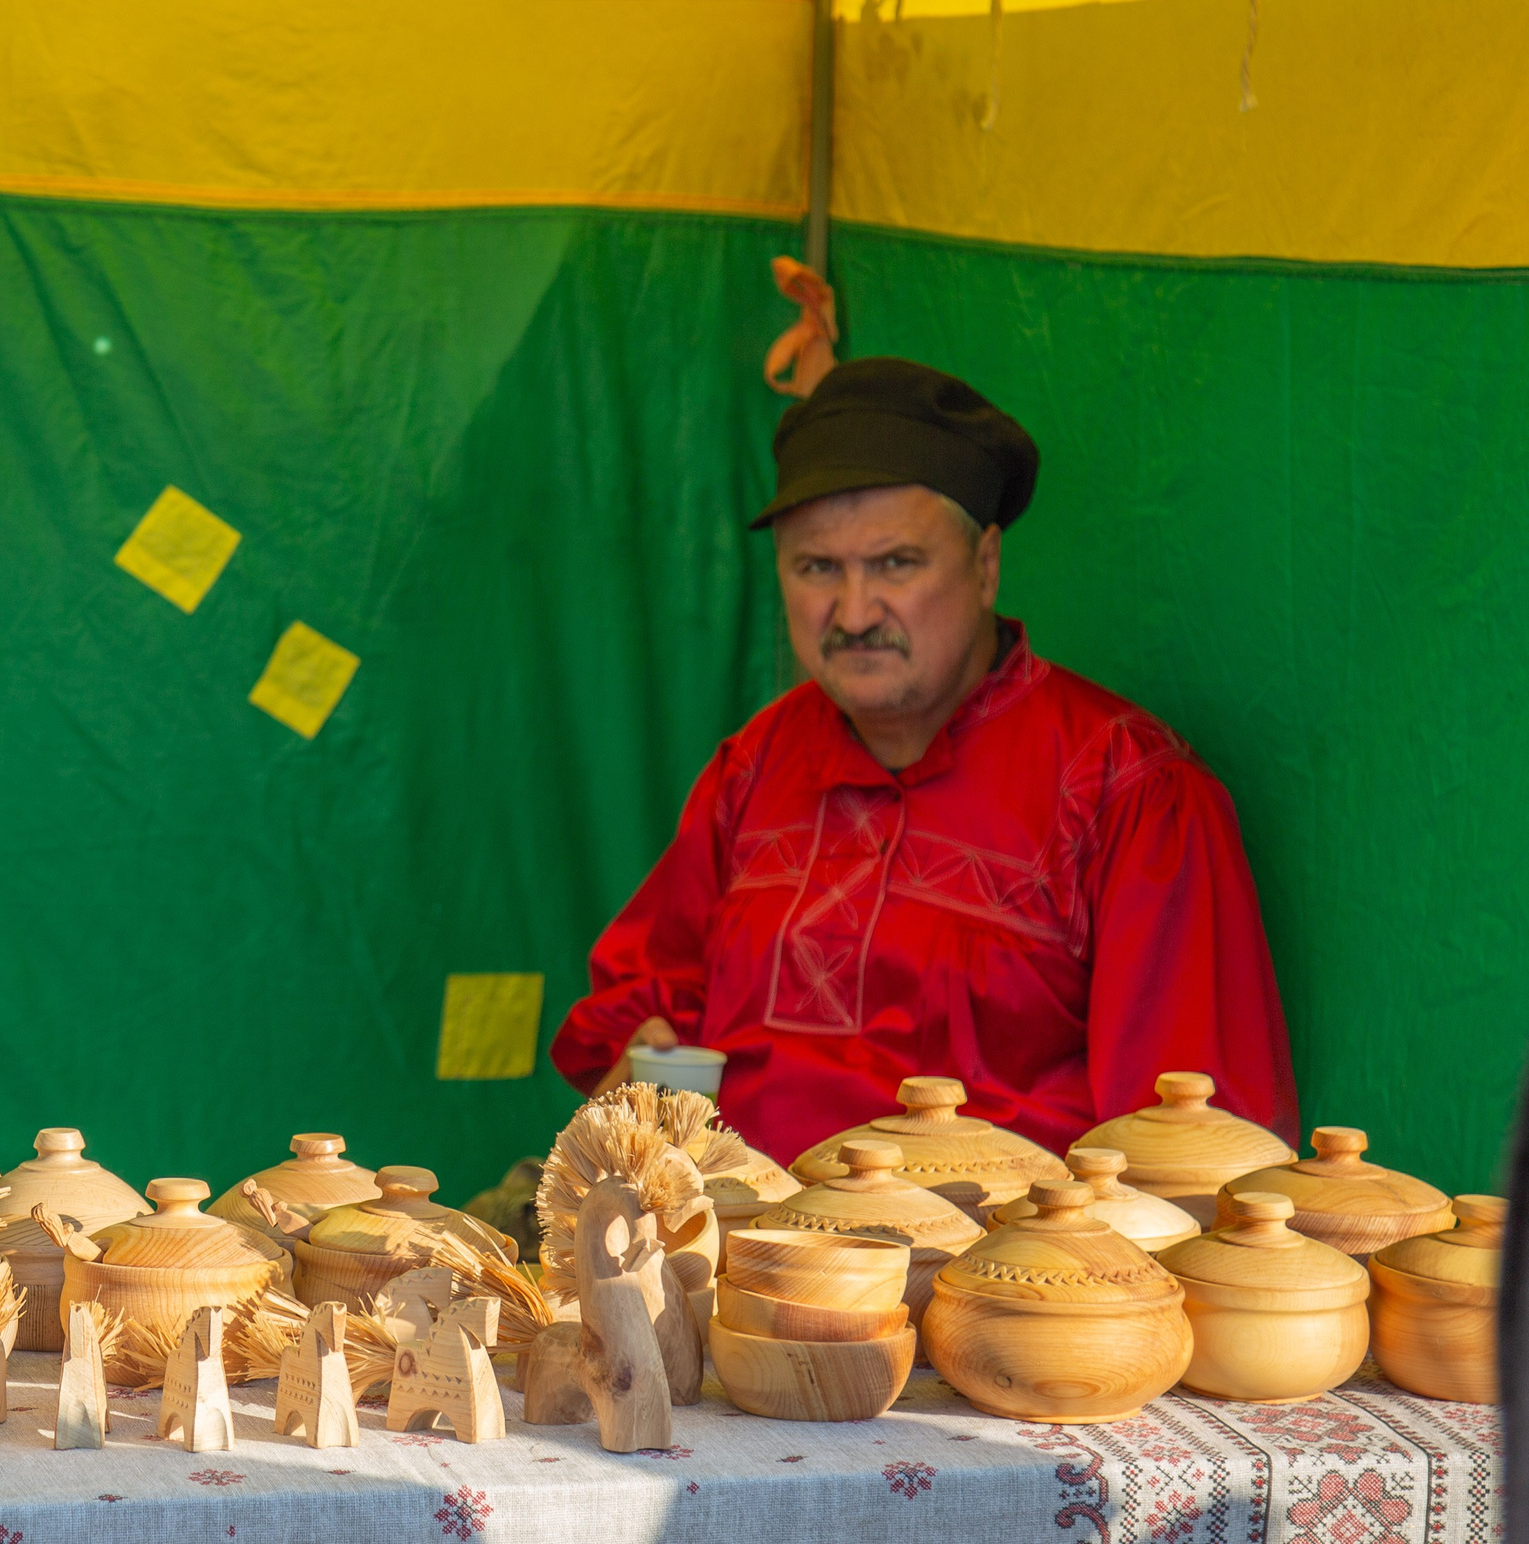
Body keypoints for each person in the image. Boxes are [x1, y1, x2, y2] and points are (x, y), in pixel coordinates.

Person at [550, 358, 1296, 1160]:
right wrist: (649, 1078)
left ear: (985, 565)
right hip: (729, 1223)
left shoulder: (1128, 792)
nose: (854, 613)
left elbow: (1196, 1153)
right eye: (818, 568)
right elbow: (646, 1004)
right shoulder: (757, 765)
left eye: (895, 564)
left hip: (990, 1238)